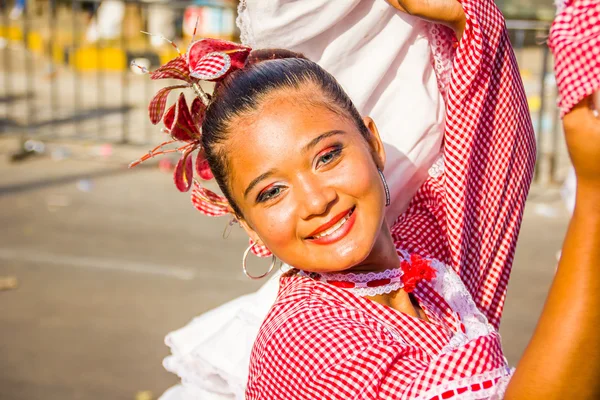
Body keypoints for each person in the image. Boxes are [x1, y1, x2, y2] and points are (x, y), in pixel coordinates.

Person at [132, 0, 599, 398]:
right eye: (272, 191)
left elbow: (490, 167)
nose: (316, 201)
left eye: (327, 156)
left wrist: (465, 18)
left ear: (373, 143)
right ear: (249, 225)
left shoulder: (425, 276)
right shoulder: (305, 341)